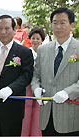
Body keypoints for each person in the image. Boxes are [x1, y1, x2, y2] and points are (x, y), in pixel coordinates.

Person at [0, 15, 34, 136]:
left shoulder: (24, 52)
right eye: (0, 28)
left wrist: (10, 89)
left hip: (12, 108)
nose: (3, 32)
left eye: (7, 28)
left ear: (14, 30)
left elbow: (26, 76)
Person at [31, 7, 79, 136]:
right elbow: (36, 75)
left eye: (62, 22)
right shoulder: (43, 49)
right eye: (54, 22)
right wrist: (36, 89)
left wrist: (67, 92)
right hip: (47, 116)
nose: (58, 26)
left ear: (72, 25)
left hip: (71, 117)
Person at [21, 27, 45, 136]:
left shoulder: (45, 53)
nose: (35, 41)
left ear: (42, 40)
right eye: (33, 38)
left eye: (38, 38)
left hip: (40, 87)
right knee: (26, 114)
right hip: (27, 87)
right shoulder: (26, 52)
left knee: (37, 114)